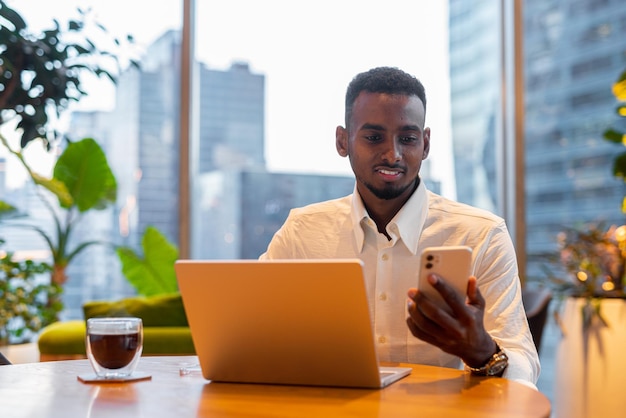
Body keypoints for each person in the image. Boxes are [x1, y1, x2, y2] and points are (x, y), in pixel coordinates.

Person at [260, 66, 539, 388]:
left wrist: (482, 351)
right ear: (342, 141)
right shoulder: (302, 233)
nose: (392, 154)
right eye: (373, 137)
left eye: (407, 138)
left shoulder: (482, 234)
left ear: (425, 143)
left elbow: (523, 365)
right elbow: (254, 332)